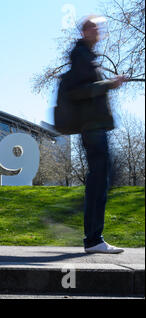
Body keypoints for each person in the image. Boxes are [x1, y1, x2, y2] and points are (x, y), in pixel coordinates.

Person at [67, 16, 127, 254]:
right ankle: (93, 239)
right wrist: (109, 84)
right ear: (84, 32)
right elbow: (78, 92)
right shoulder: (81, 56)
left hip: (96, 127)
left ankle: (93, 238)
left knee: (101, 179)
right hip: (92, 128)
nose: (98, 31)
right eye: (93, 27)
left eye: (99, 27)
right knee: (100, 179)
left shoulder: (88, 57)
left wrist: (110, 82)